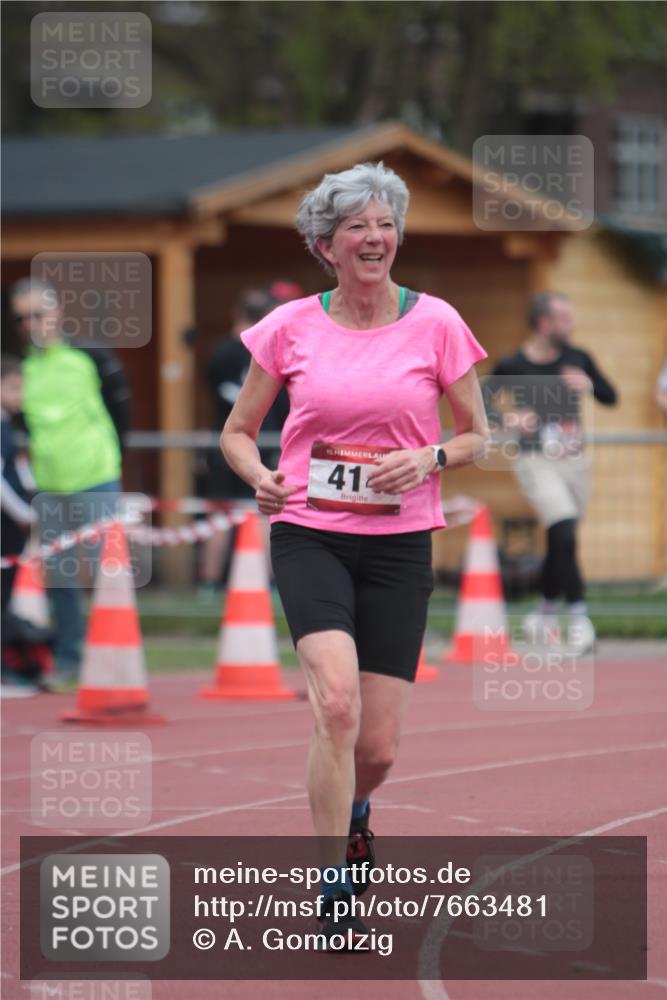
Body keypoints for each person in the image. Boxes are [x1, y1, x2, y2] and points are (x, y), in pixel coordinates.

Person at [220, 162, 489, 945]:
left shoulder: (436, 321)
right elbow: (237, 432)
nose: (375, 238)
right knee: (334, 705)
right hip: (309, 532)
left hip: (400, 543)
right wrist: (261, 477)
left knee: (377, 746)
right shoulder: (290, 328)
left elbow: (476, 432)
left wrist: (431, 458)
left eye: (384, 224)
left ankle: (359, 808)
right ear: (324, 246)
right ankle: (332, 881)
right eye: (356, 228)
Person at [9, 278, 131, 686]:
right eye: (23, 318)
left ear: (58, 313)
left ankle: (114, 659)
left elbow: (121, 407)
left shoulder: (90, 357)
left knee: (107, 573)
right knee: (60, 579)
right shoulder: (22, 369)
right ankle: (69, 659)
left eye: (38, 314)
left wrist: (113, 456)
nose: (31, 324)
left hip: (96, 477)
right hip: (48, 487)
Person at [484, 291, 618, 654]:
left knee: (564, 539)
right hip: (535, 460)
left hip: (574, 460)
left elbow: (611, 396)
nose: (571, 324)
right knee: (563, 530)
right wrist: (508, 418)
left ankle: (543, 613)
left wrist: (588, 385)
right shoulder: (514, 365)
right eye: (564, 318)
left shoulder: (578, 358)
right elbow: (481, 400)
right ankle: (579, 619)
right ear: (544, 324)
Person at [201, 287, 293, 596]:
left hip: (227, 443)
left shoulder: (222, 350)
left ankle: (209, 584)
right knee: (263, 515)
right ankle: (268, 583)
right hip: (261, 441)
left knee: (219, 516)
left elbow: (210, 383)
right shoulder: (268, 349)